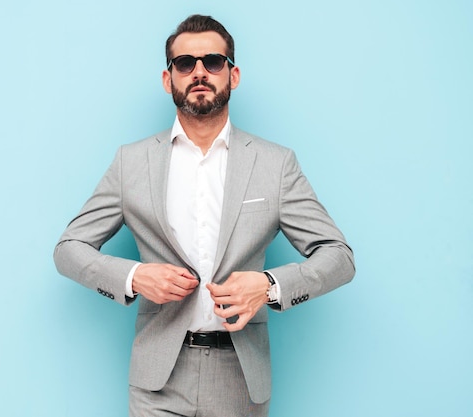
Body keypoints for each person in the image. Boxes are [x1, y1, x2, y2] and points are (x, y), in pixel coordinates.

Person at [54, 14, 355, 417]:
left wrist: (268, 286)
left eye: (213, 62)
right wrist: (134, 277)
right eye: (185, 64)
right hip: (157, 379)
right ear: (168, 79)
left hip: (240, 377)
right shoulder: (131, 163)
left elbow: (338, 256)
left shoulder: (275, 164)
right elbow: (69, 248)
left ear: (233, 75)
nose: (199, 72)